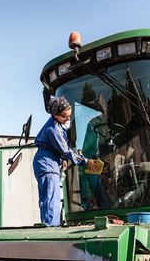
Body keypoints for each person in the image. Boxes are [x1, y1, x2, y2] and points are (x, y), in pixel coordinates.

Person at [33, 96, 101, 226]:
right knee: (51, 199)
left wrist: (63, 159)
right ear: (56, 115)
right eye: (64, 116)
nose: (68, 119)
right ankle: (51, 228)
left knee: (48, 198)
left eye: (69, 116)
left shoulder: (57, 124)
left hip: (48, 160)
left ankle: (49, 225)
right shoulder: (54, 129)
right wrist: (86, 161)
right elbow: (66, 150)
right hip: (47, 162)